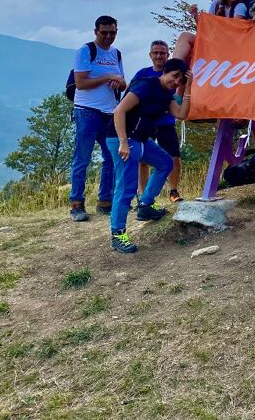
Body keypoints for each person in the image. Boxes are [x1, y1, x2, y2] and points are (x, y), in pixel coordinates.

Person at [106, 59, 192, 253]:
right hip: (122, 138)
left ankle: (145, 205)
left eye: (180, 79)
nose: (176, 81)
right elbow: (119, 110)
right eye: (175, 76)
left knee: (165, 163)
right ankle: (118, 234)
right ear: (165, 72)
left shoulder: (166, 94)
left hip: (141, 140)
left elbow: (181, 114)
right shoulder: (146, 86)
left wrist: (188, 88)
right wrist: (123, 142)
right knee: (126, 187)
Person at [69, 15, 126, 222]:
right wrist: (108, 78)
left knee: (111, 157)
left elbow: (122, 82)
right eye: (105, 33)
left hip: (110, 111)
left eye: (113, 32)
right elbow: (81, 83)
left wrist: (117, 83)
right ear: (96, 32)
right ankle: (76, 204)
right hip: (86, 110)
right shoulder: (86, 51)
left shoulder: (116, 54)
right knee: (82, 158)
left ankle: (105, 201)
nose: (109, 36)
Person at [132, 41, 186, 204]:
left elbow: (178, 96)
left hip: (166, 122)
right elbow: (132, 91)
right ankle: (142, 193)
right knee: (143, 159)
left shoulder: (175, 74)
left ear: (168, 55)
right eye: (155, 52)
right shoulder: (143, 73)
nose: (158, 56)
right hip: (146, 122)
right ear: (150, 55)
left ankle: (173, 191)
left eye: (162, 53)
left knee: (174, 157)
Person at [173, 0, 249, 62]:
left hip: (228, 44)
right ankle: (174, 66)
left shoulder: (240, 7)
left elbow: (235, 29)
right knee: (185, 36)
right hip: (212, 41)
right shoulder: (216, 4)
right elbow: (206, 28)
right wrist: (195, 15)